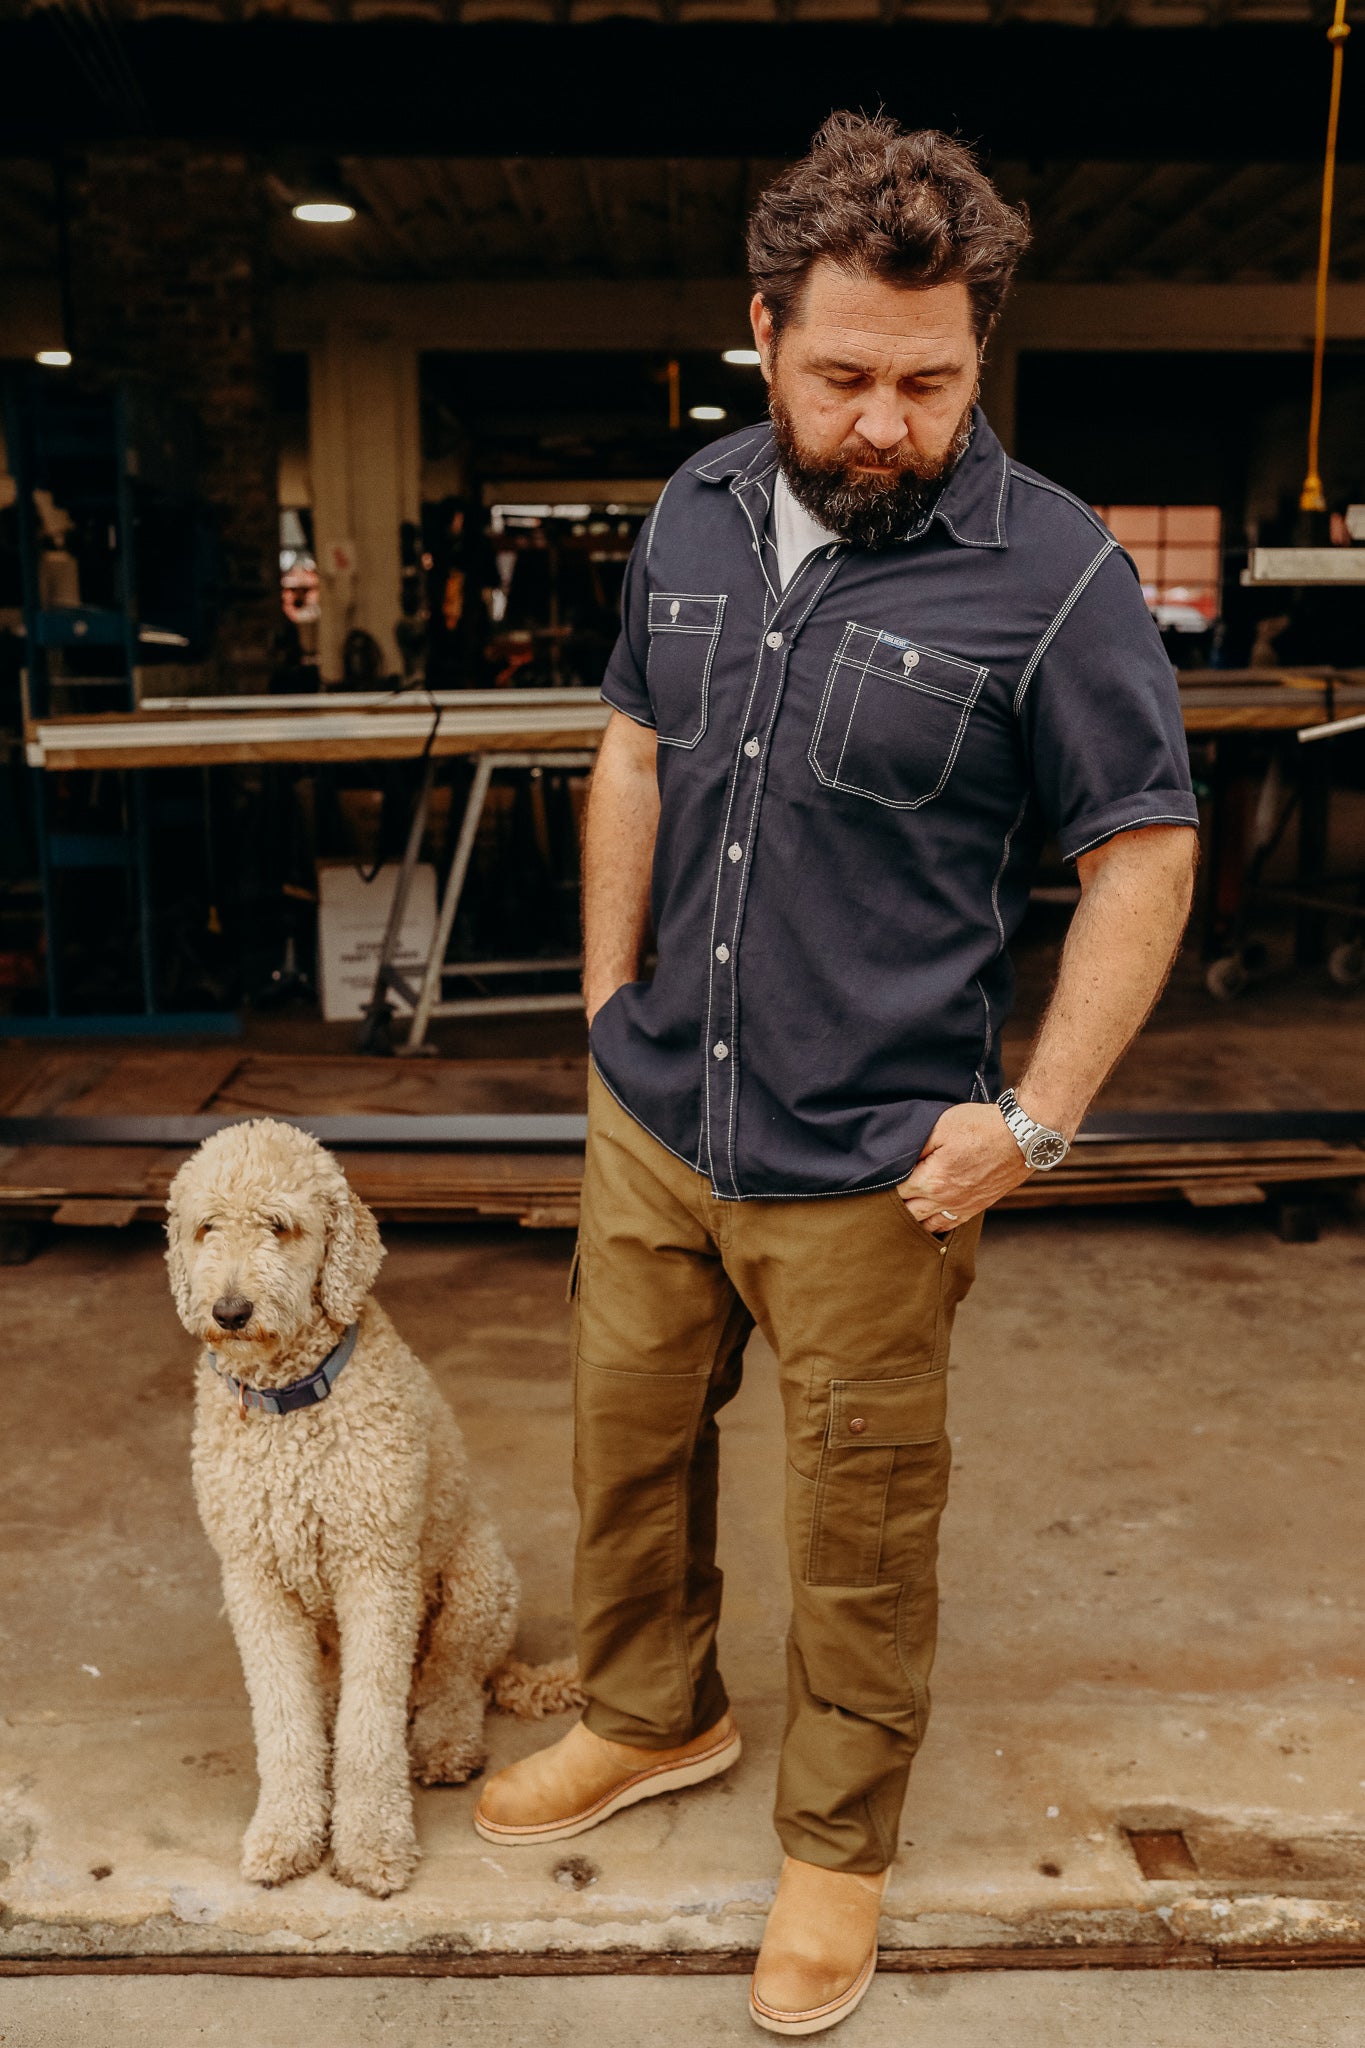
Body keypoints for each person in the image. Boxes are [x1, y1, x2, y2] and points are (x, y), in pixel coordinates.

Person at [474, 112, 1199, 2037]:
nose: (882, 424)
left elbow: (1143, 847)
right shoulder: (694, 509)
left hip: (879, 1160)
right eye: (842, 379)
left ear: (979, 358)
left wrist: (1032, 1119)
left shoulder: (1054, 574)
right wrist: (605, 987)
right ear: (763, 334)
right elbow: (633, 738)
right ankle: (651, 1715)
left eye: (928, 384)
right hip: (656, 1119)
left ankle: (838, 1843)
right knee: (626, 1455)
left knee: (861, 1529)